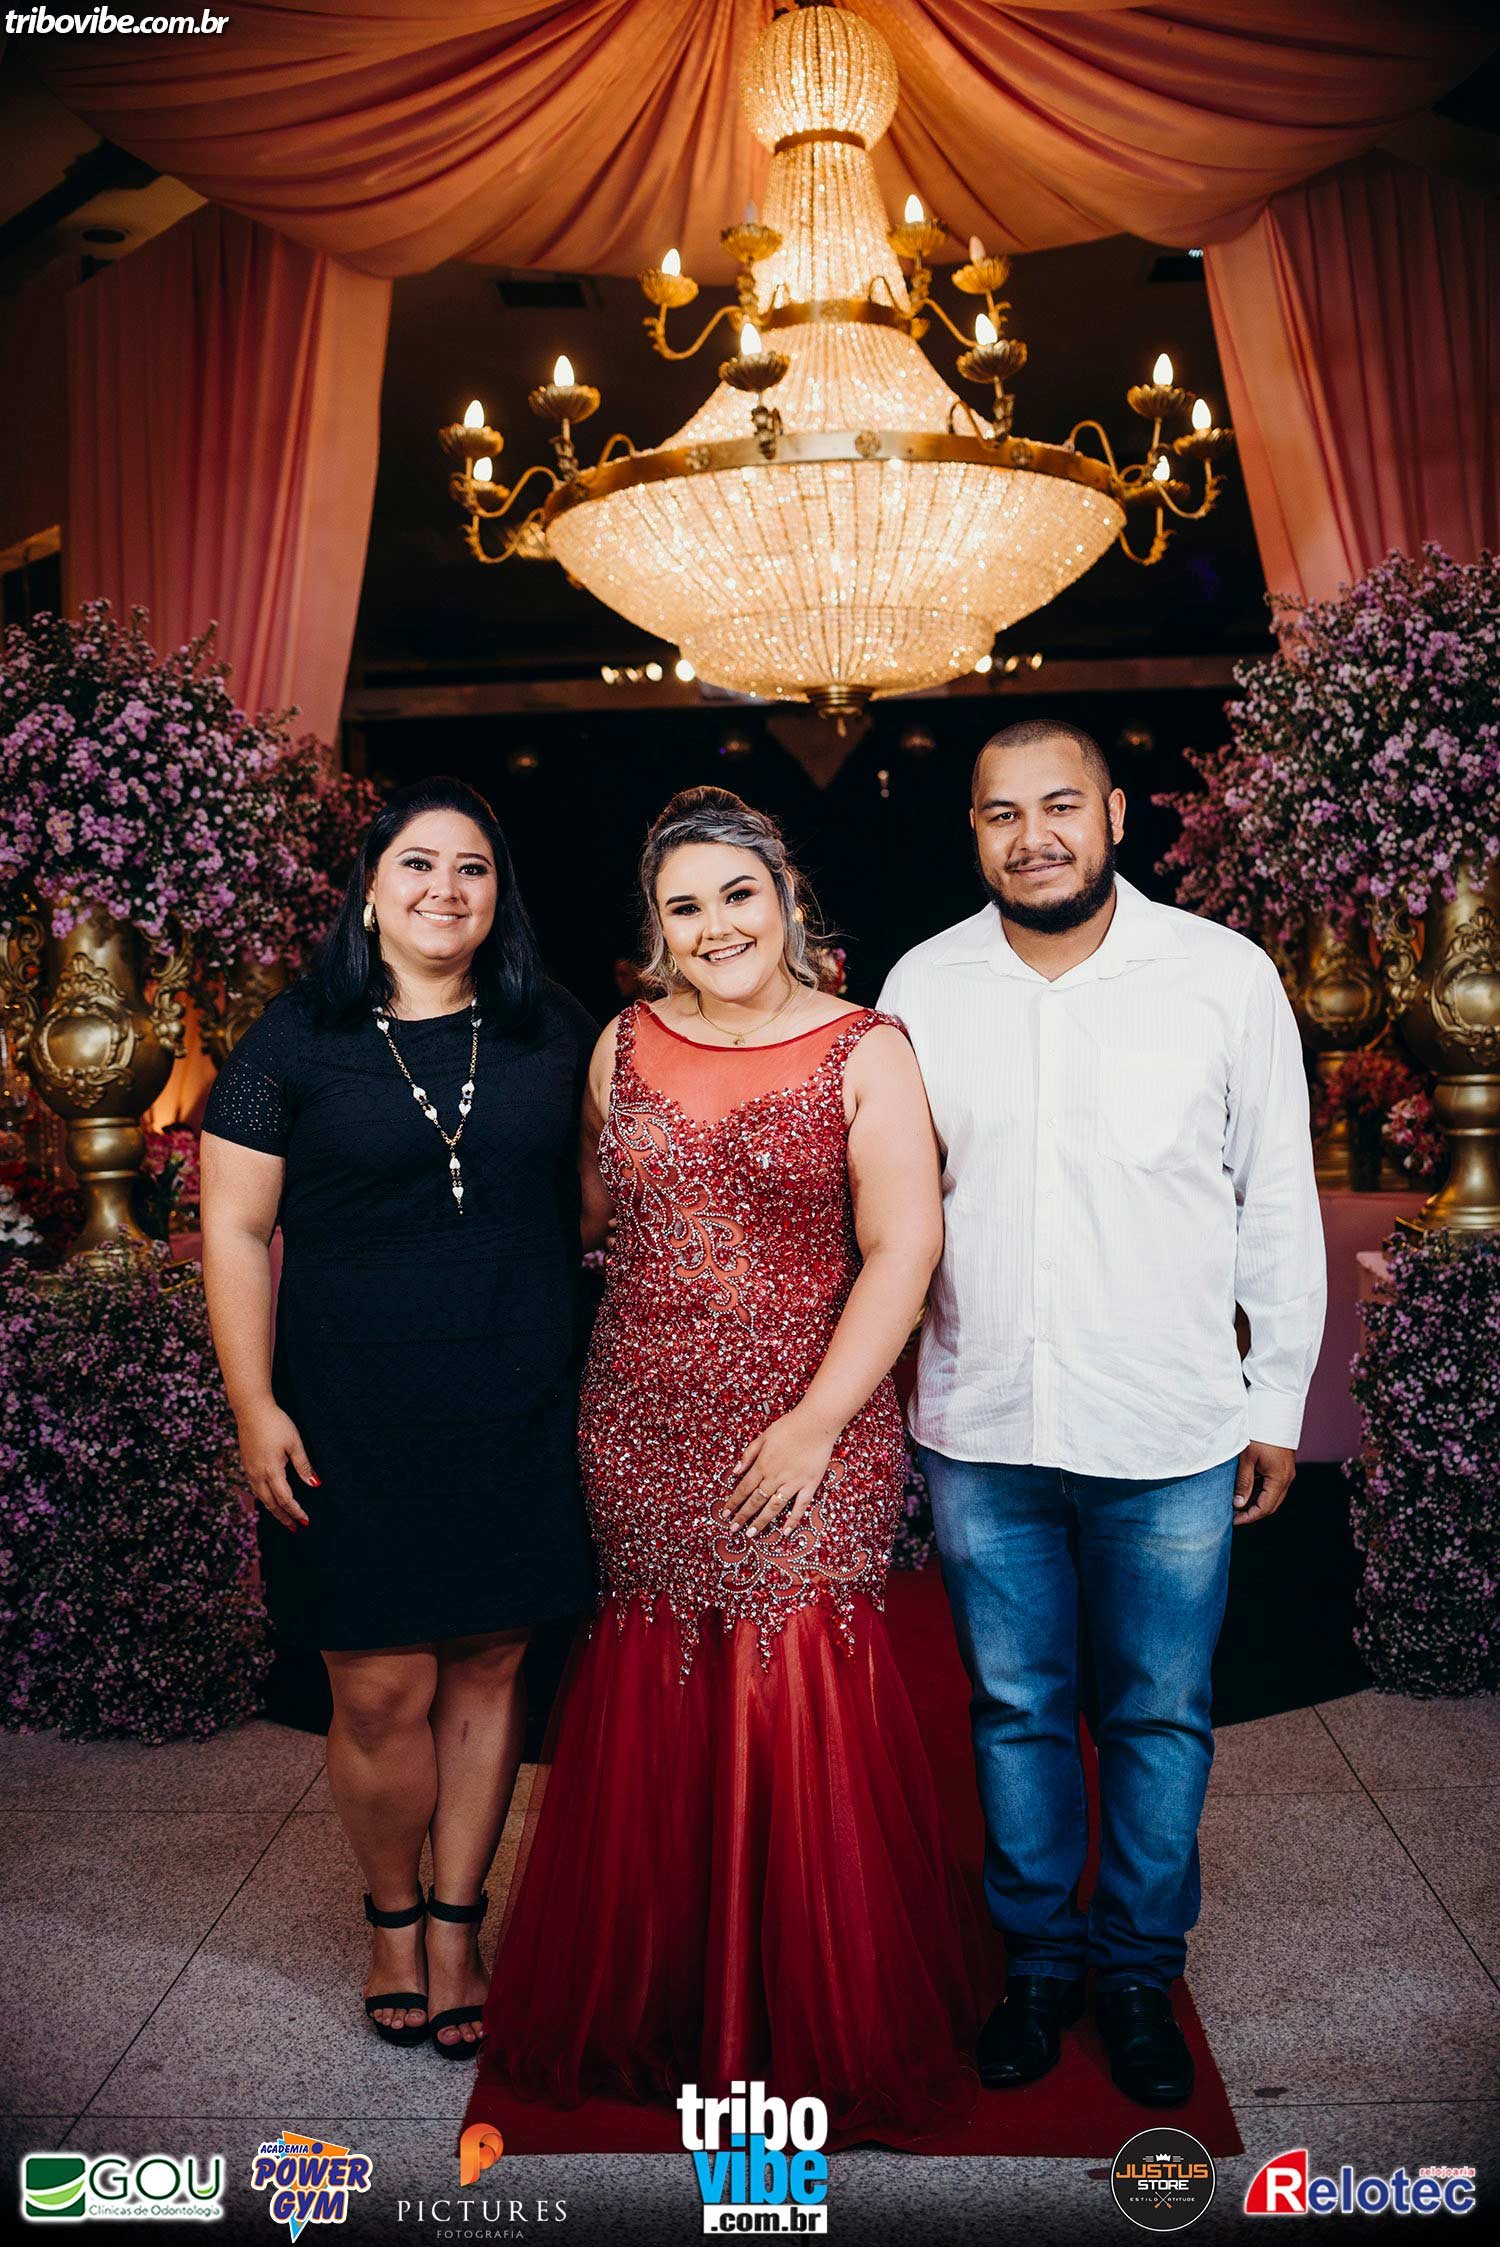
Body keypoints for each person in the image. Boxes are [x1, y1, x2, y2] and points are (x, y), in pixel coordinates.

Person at [468, 785, 976, 2145]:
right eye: (684, 906)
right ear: (657, 928)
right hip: (640, 1417)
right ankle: (669, 1999)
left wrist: (812, 1421)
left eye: (738, 894)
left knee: (794, 1678)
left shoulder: (868, 1047)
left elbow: (906, 1248)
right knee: (659, 1680)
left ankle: (805, 2015)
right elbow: (592, 1216)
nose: (716, 925)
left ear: (787, 896)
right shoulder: (621, 1043)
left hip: (814, 1420)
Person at [879, 719, 1325, 2109]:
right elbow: (889, 1209)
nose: (1035, 837)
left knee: (1160, 1713)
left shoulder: (1222, 975)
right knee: (1015, 1710)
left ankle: (1136, 1972)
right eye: (1002, 813)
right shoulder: (923, 986)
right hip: (981, 1422)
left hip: (1168, 1424)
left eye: (1061, 804)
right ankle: (1038, 1965)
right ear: (974, 832)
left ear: (1117, 813)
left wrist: (1275, 1399)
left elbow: (1277, 1199)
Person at [200, 776, 596, 2056]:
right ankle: (390, 1916)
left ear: (498, 895)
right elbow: (234, 1228)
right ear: (370, 889)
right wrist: (254, 1404)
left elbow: (602, 1200)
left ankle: (457, 1923)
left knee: (489, 1666)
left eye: (472, 868)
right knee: (375, 1688)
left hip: (517, 1402)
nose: (445, 889)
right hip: (350, 1411)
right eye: (417, 864)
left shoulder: (551, 1028)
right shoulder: (291, 1040)